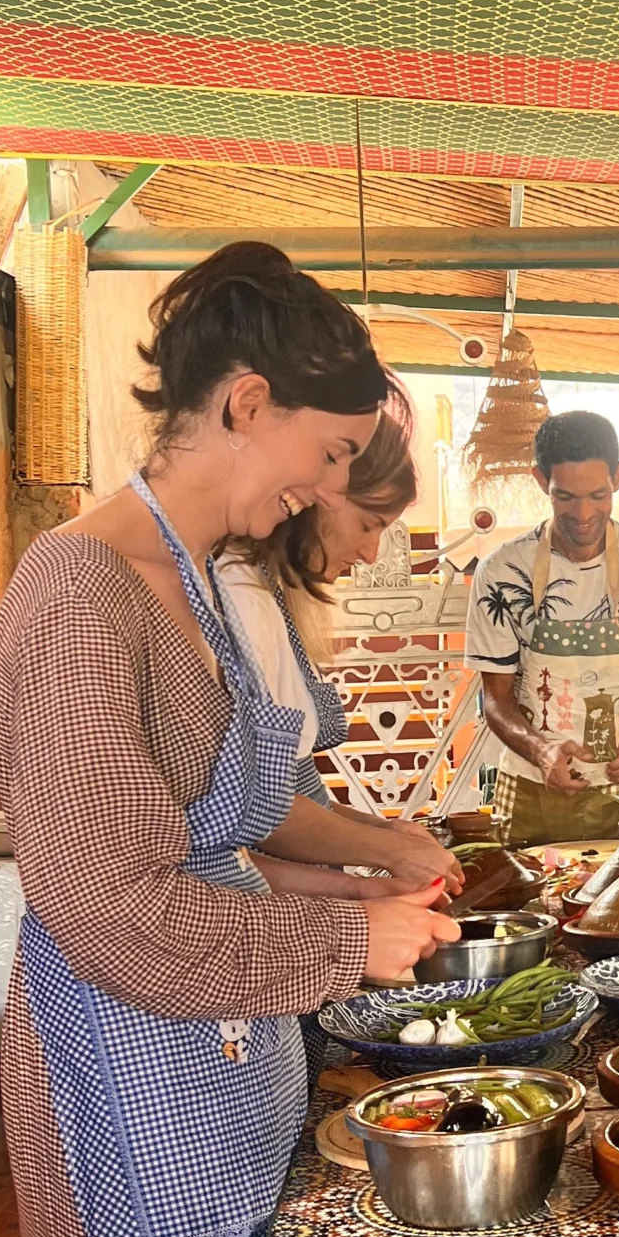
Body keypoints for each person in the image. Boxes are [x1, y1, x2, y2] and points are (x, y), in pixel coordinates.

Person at [0, 243, 460, 1237]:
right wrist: (342, 949)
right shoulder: (74, 597)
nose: (315, 494)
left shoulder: (182, 578)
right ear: (242, 402)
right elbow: (110, 905)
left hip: (214, 1060)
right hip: (122, 1084)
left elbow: (219, 835)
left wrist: (357, 884)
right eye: (319, 456)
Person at [217, 375, 463, 903]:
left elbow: (293, 789)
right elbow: (262, 813)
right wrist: (385, 857)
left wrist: (387, 834)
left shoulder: (265, 591)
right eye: (369, 524)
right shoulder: (239, 593)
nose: (371, 554)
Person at [466, 410, 619, 843]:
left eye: (598, 494)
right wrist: (541, 749)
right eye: (565, 497)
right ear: (542, 481)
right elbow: (495, 700)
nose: (583, 514)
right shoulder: (501, 572)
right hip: (531, 787)